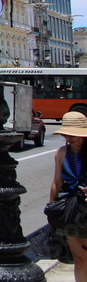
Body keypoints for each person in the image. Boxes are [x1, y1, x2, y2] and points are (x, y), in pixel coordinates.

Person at [50, 111, 87, 277]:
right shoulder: (61, 153)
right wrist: (51, 209)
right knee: (79, 259)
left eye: (74, 134)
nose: (69, 138)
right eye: (66, 134)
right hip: (72, 211)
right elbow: (56, 183)